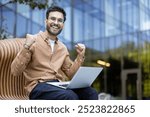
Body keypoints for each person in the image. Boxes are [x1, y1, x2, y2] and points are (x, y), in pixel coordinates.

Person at [11, 6, 98, 100]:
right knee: (69, 96)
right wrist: (26, 46)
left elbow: (71, 74)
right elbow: (15, 71)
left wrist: (80, 57)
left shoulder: (62, 48)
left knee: (90, 93)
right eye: (53, 19)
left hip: (57, 85)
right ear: (46, 21)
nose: (56, 23)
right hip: (38, 87)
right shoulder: (33, 41)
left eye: (60, 20)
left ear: (63, 25)